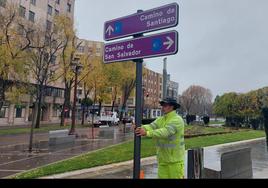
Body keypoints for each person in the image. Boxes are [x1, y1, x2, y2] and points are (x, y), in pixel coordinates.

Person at [135, 98, 185, 179]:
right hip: (163, 161)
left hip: (175, 162)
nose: (162, 107)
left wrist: (147, 133)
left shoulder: (177, 120)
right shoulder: (161, 119)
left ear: (172, 107)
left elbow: (166, 132)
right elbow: (151, 126)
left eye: (165, 105)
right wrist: (140, 127)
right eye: (162, 105)